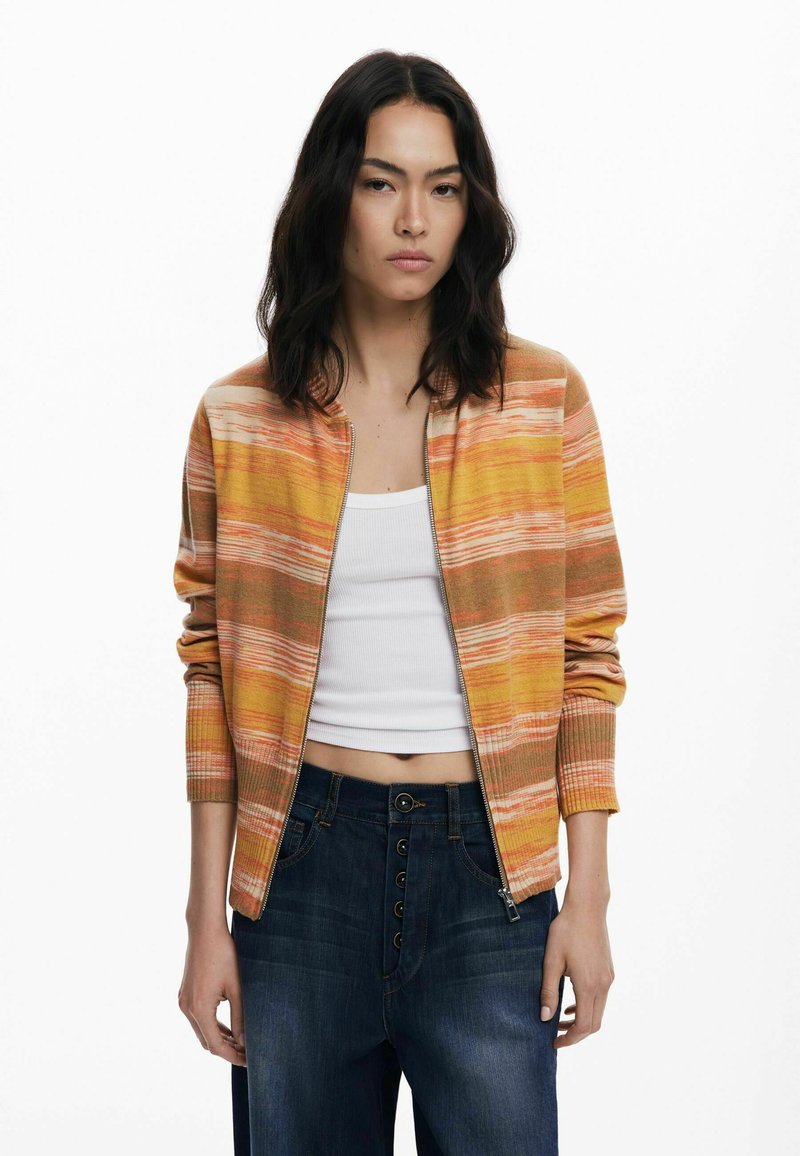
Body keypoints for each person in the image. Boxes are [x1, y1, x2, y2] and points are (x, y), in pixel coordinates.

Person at [174, 50, 628, 1156]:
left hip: (493, 873)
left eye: (443, 186)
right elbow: (210, 669)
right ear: (332, 196)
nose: (413, 218)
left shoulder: (542, 399)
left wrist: (587, 899)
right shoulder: (239, 418)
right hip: (300, 871)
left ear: (472, 209)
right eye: (381, 183)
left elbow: (587, 656)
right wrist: (204, 918)